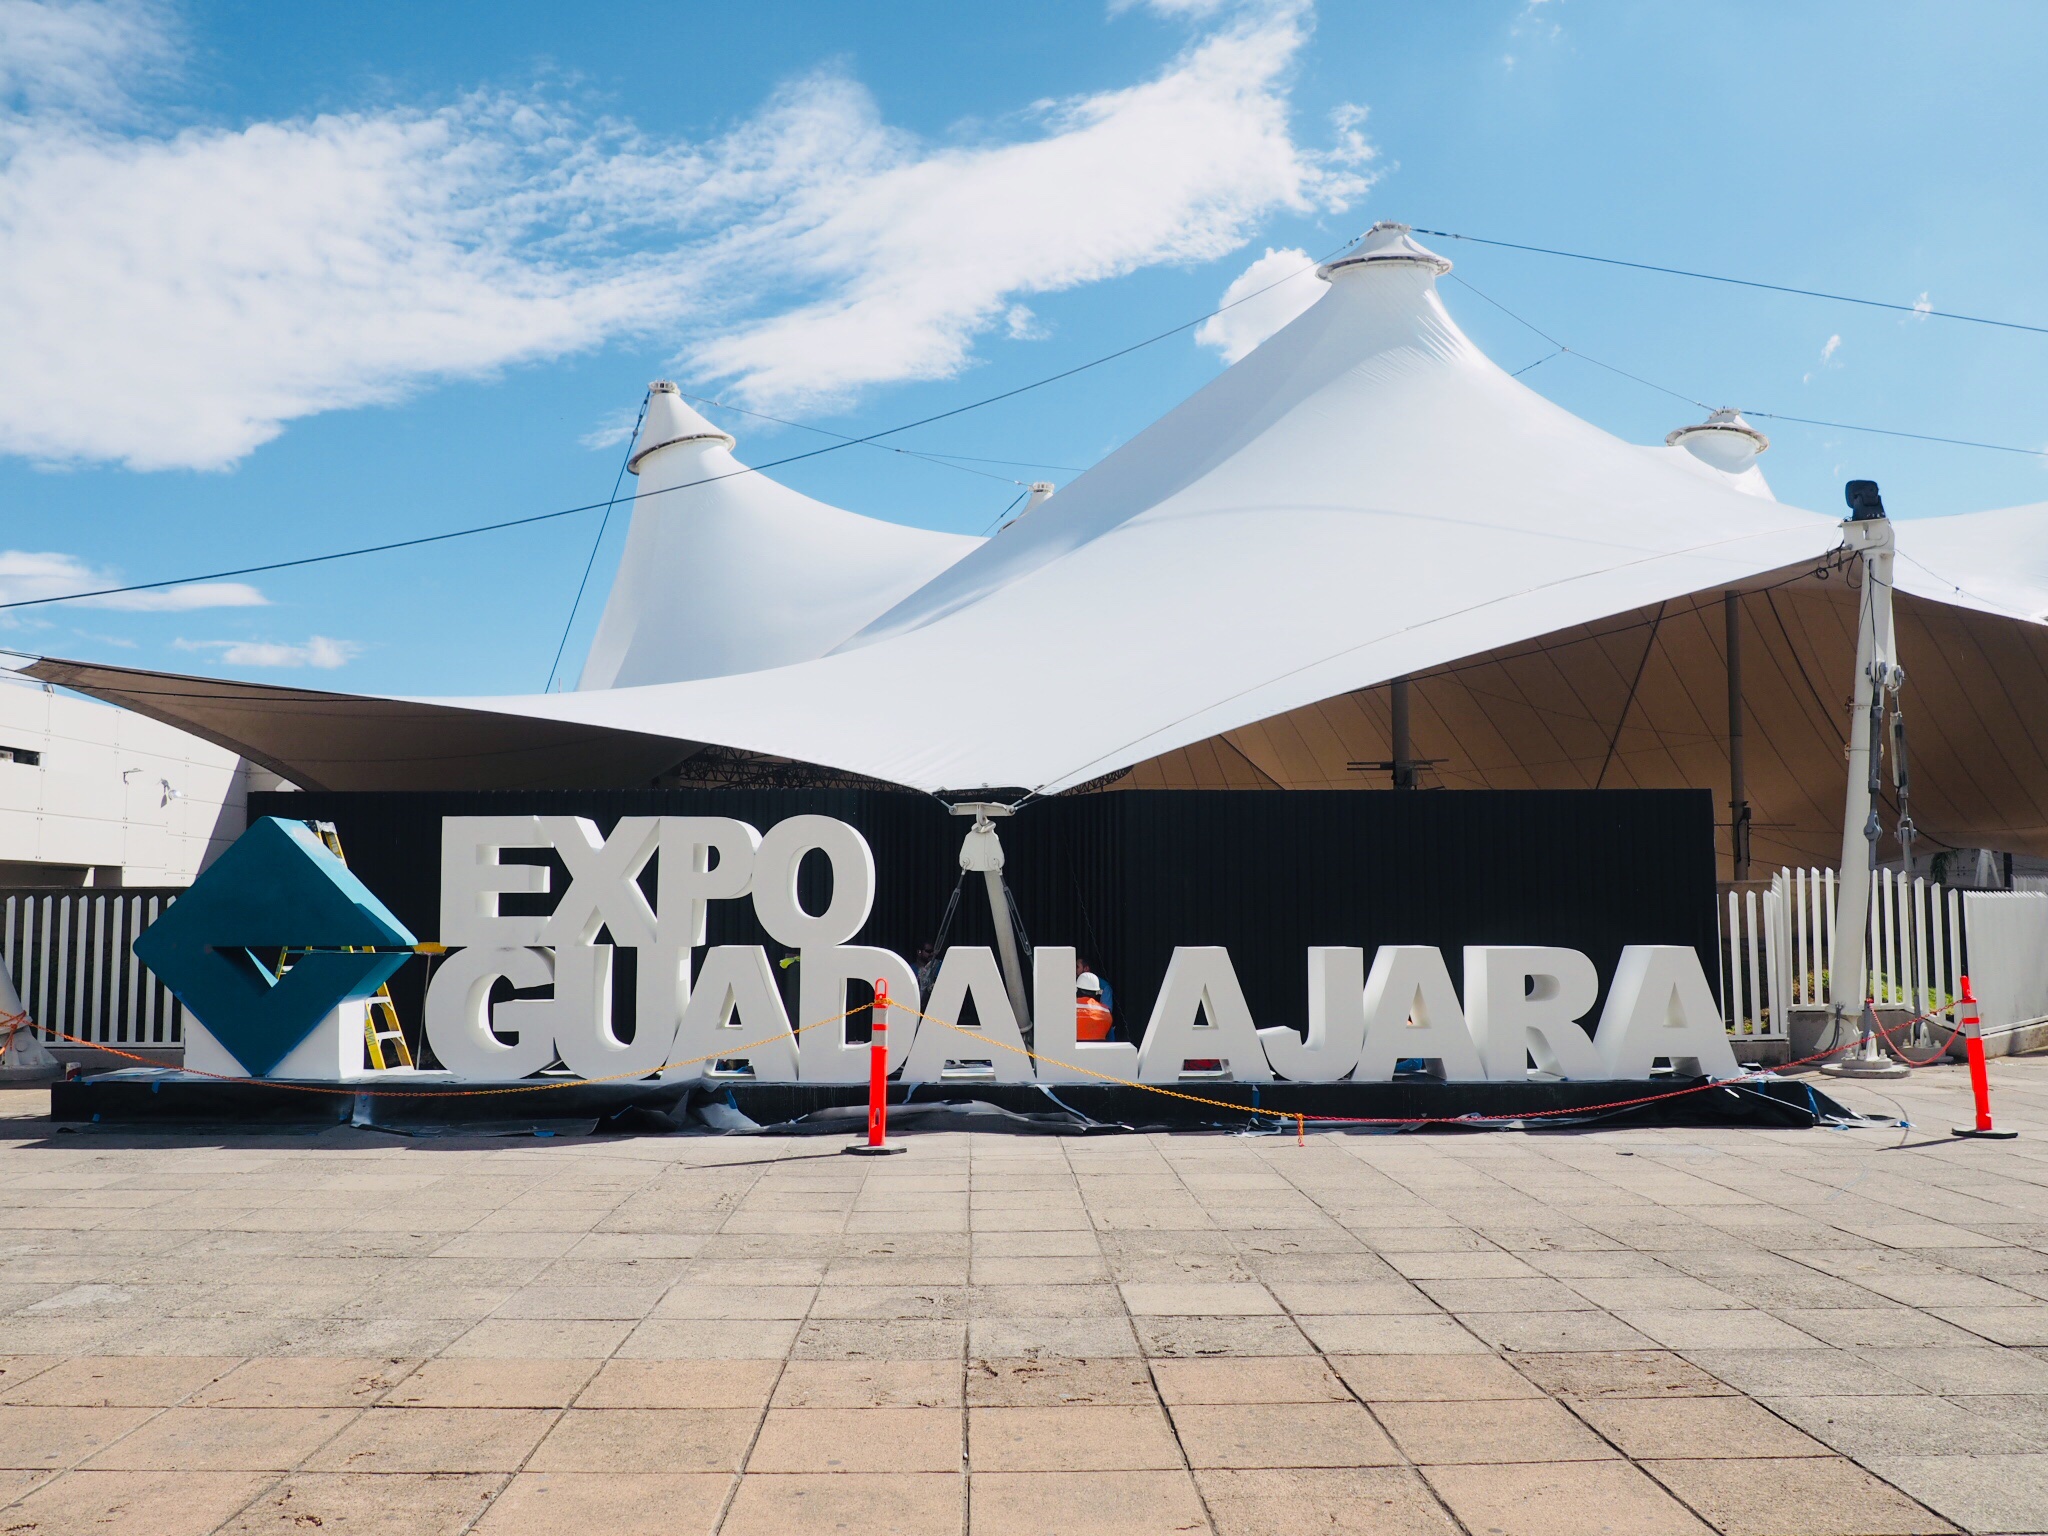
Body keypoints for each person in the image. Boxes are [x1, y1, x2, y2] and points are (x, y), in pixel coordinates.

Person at [1075, 972, 1114, 1042]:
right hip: (1099, 1051)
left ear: (1077, 990)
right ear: (1096, 992)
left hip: (1073, 1051)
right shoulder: (1106, 1012)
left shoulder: (1068, 1009)